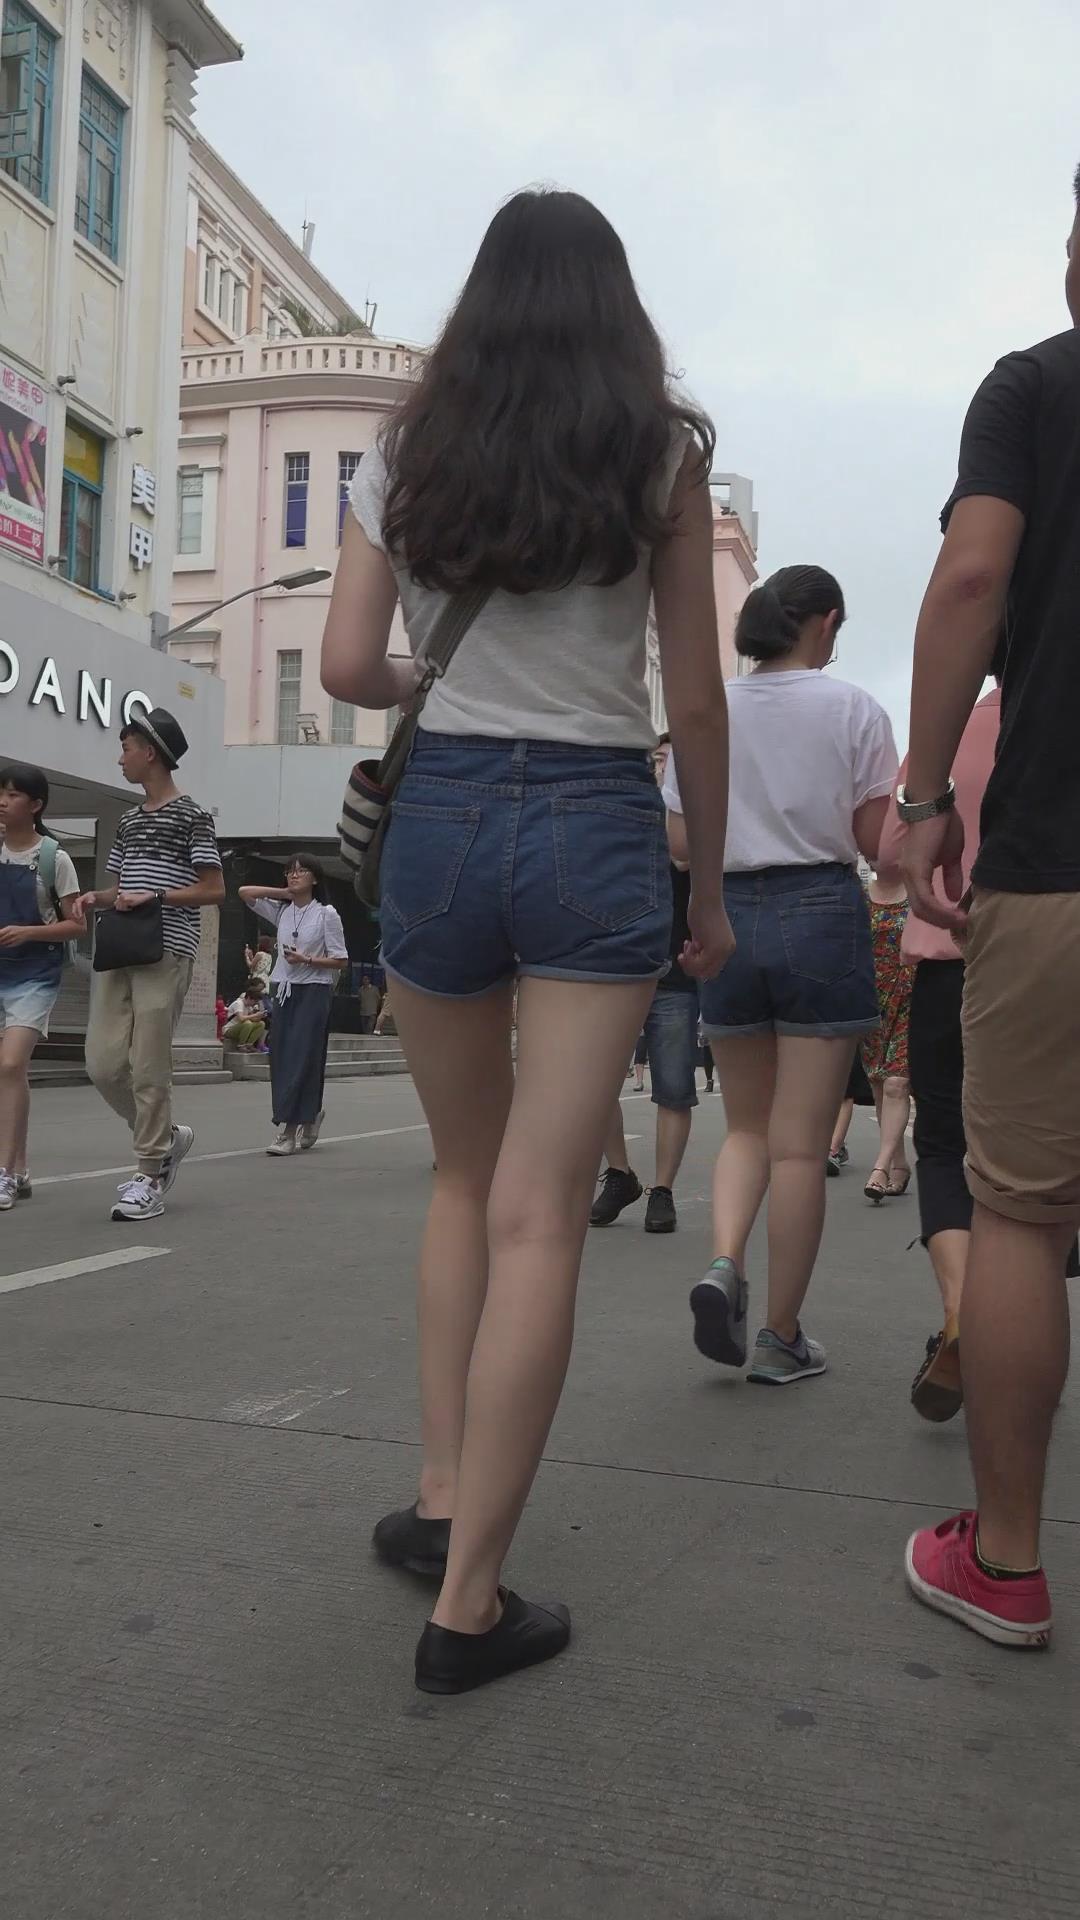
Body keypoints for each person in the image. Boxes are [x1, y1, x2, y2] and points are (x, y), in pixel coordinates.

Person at [321, 187, 731, 1694]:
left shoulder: (406, 448)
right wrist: (706, 890)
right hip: (595, 819)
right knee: (542, 1213)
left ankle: (440, 1496)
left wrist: (431, 674)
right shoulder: (659, 453)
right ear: (614, 310)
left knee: (461, 1176)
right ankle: (472, 1602)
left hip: (439, 817)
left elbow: (346, 661)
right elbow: (696, 698)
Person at [898, 165, 1080, 1649]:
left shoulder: (1032, 388)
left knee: (1017, 1212)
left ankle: (1005, 1563)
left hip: (1059, 857)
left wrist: (921, 793)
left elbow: (971, 579)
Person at [665, 566, 896, 1385]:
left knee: (746, 1130)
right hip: (819, 910)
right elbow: (876, 844)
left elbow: (680, 842)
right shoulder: (855, 710)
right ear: (824, 623)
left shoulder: (709, 708)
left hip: (726, 912)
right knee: (800, 1150)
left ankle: (724, 1261)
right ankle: (781, 1336)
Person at [75, 709, 223, 1223]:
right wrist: (97, 896)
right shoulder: (130, 819)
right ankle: (167, 1139)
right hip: (120, 946)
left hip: (167, 948)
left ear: (150, 753)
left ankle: (150, 1174)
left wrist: (156, 896)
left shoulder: (193, 816)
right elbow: (121, 887)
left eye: (126, 748)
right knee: (102, 1064)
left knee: (148, 1065)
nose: (121, 759)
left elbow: (214, 889)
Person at [590, 736, 705, 1234]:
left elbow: (686, 862)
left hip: (673, 970)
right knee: (594, 1084)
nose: (662, 770)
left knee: (674, 1088)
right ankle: (619, 1173)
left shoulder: (697, 822)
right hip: (616, 969)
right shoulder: (622, 815)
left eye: (671, 762)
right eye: (657, 761)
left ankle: (663, 1189)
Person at [0, 765, 83, 1207]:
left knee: (11, 1063)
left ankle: (3, 1173)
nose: (3, 800)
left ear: (35, 805)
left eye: (13, 795)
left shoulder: (55, 859)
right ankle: (19, 1167)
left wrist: (28, 932)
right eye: (1, 792)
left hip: (34, 974)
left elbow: (76, 925)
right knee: (11, 1072)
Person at [238, 855, 348, 1156]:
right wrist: (283, 893)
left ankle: (287, 1130)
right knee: (283, 1058)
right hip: (283, 990)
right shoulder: (282, 911)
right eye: (290, 871)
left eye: (302, 871)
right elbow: (244, 892)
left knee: (304, 1057)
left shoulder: (326, 914)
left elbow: (340, 959)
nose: (294, 875)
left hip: (314, 990)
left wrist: (307, 959)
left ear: (316, 878)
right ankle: (309, 1115)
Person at [859, 872, 914, 1203]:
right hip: (871, 1001)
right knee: (880, 1085)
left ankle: (879, 1168)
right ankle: (899, 1163)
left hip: (913, 998)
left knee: (897, 1083)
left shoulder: (920, 891)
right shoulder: (859, 896)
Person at [223, 978, 269, 1051]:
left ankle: (249, 1044)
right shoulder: (238, 1003)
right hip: (229, 1029)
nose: (255, 1004)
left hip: (242, 1027)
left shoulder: (249, 1007)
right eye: (255, 1001)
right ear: (249, 998)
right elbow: (241, 1018)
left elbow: (253, 1019)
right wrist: (255, 1015)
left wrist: (260, 1016)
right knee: (247, 1023)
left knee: (261, 1024)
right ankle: (241, 1045)